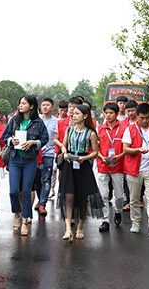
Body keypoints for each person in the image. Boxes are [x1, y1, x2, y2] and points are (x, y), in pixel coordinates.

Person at [2, 95, 48, 236]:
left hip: (30, 160)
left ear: (32, 106)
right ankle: (17, 214)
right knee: (13, 191)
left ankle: (24, 220)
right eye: (19, 103)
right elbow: (5, 137)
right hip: (15, 159)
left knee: (27, 191)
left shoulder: (38, 122)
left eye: (23, 103)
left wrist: (33, 143)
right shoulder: (14, 120)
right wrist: (11, 141)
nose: (20, 106)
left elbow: (45, 138)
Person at [59, 104, 102, 241]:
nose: (73, 115)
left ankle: (80, 227)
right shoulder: (69, 130)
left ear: (85, 116)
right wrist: (65, 153)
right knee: (68, 196)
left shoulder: (91, 133)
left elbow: (95, 152)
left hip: (83, 166)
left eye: (77, 113)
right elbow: (63, 146)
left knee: (83, 197)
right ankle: (67, 229)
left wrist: (85, 158)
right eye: (73, 113)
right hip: (69, 164)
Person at [122, 102, 149, 237]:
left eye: (147, 118)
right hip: (134, 169)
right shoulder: (130, 129)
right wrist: (137, 150)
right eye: (142, 118)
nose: (145, 121)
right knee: (134, 199)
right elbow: (125, 149)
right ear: (137, 116)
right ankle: (135, 222)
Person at [96, 103, 126, 232]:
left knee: (119, 196)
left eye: (111, 113)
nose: (108, 115)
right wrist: (102, 157)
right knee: (103, 195)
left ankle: (118, 211)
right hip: (103, 165)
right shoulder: (100, 129)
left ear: (117, 114)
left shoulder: (124, 128)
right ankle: (105, 220)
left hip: (118, 166)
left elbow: (127, 146)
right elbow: (95, 148)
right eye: (106, 113)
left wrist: (121, 155)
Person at [35, 97, 58, 216]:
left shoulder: (56, 121)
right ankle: (40, 199)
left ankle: (43, 203)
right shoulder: (36, 121)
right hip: (36, 154)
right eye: (43, 105)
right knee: (37, 180)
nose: (45, 107)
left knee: (46, 179)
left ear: (52, 107)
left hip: (49, 154)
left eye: (47, 105)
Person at [122, 99, 141, 211]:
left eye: (132, 111)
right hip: (127, 156)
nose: (130, 113)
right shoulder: (123, 124)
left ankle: (139, 197)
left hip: (141, 157)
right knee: (126, 179)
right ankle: (129, 201)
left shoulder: (142, 122)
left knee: (141, 182)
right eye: (128, 111)